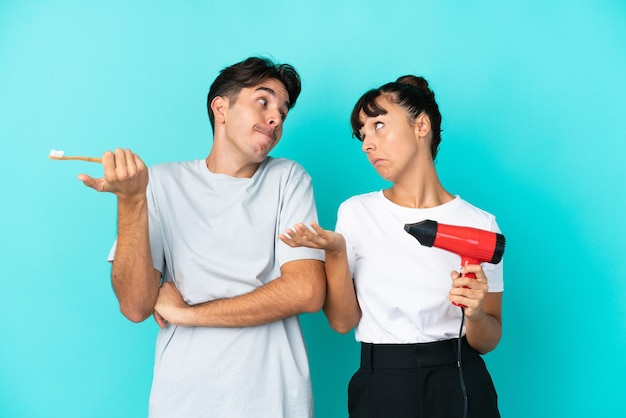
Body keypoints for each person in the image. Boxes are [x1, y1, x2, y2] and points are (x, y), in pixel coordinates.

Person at [79, 56, 326, 418]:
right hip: (184, 400)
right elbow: (135, 306)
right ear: (221, 108)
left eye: (283, 112)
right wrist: (131, 200)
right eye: (263, 101)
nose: (275, 118)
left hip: (275, 400)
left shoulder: (289, 179)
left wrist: (188, 314)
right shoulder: (160, 183)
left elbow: (305, 291)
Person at [280, 75, 503, 417]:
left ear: (421, 125)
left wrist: (473, 313)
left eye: (379, 125)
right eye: (362, 133)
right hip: (382, 382)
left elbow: (487, 339)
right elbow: (342, 322)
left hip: (460, 379)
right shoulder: (356, 213)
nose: (367, 143)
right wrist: (336, 252)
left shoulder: (480, 224)